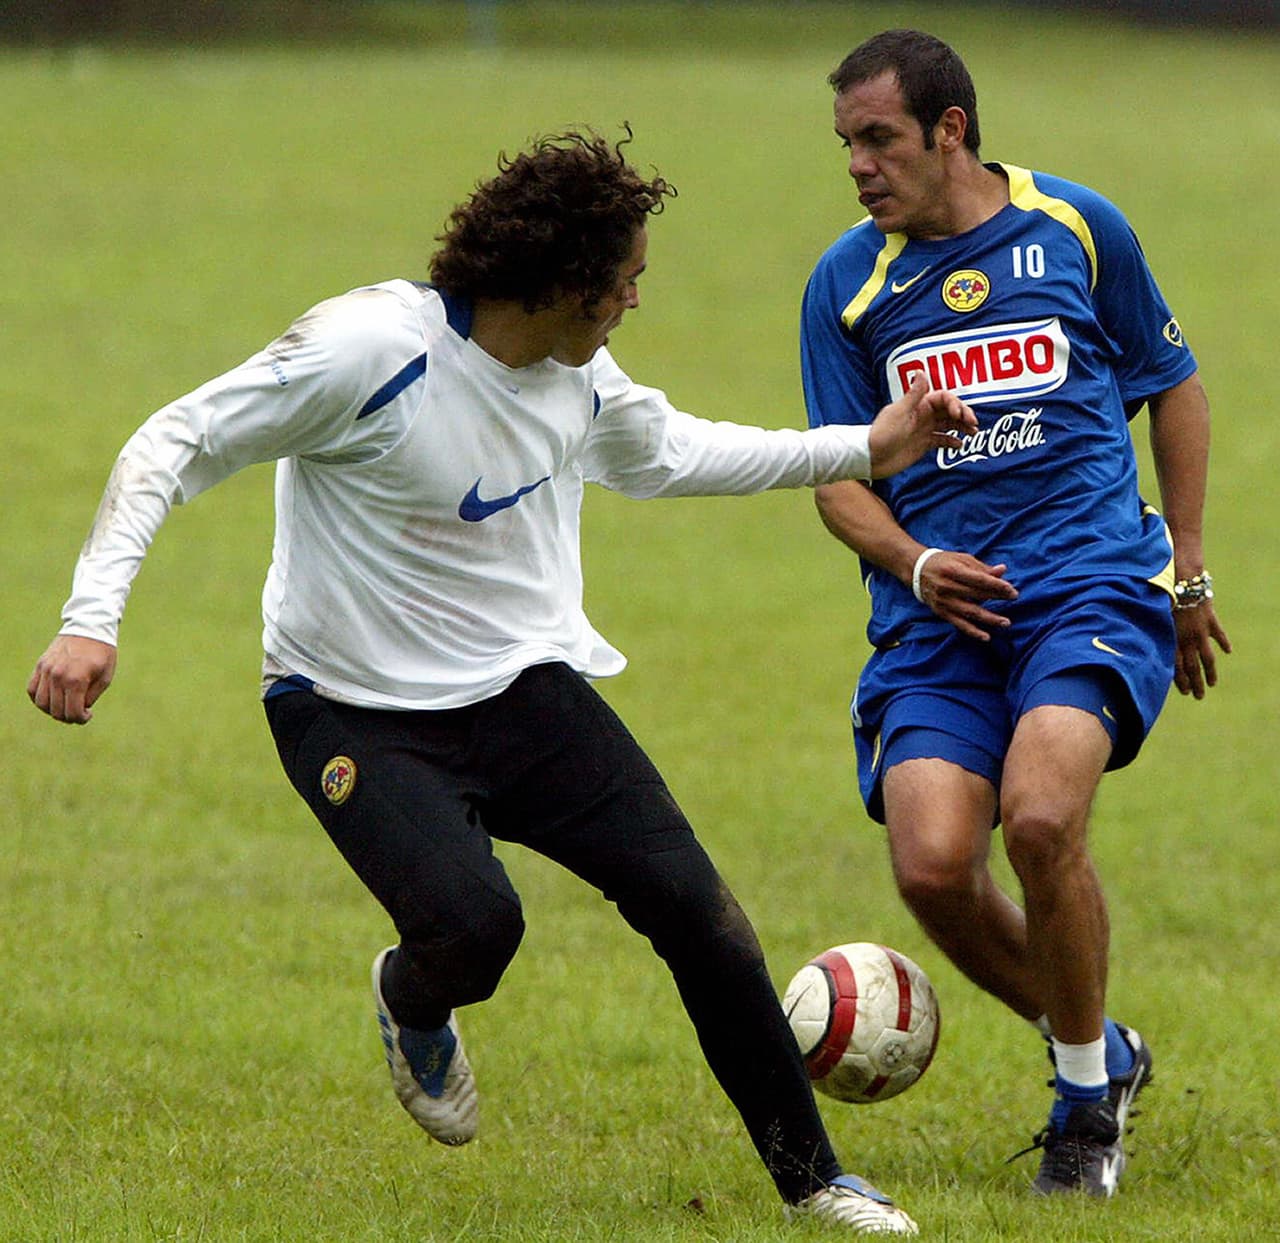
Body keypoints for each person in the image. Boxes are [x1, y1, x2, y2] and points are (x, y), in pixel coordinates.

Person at [28, 129, 979, 1236]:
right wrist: (90, 622)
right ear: (564, 286)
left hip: (523, 694)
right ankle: (411, 996)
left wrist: (865, 446)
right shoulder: (368, 351)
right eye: (622, 283)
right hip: (346, 706)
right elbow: (171, 443)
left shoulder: (575, 374)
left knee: (703, 915)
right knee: (476, 925)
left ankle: (814, 1180)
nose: (632, 301)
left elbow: (669, 453)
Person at [800, 30, 1231, 1198]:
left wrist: (1183, 573)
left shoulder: (1077, 228)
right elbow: (837, 476)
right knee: (934, 867)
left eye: (877, 139)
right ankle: (1101, 1043)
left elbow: (1170, 385)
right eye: (845, 145)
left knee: (1040, 822)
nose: (857, 167)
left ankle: (1081, 1109)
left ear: (949, 131)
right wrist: (916, 557)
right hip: (936, 620)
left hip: (1089, 583)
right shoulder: (845, 284)